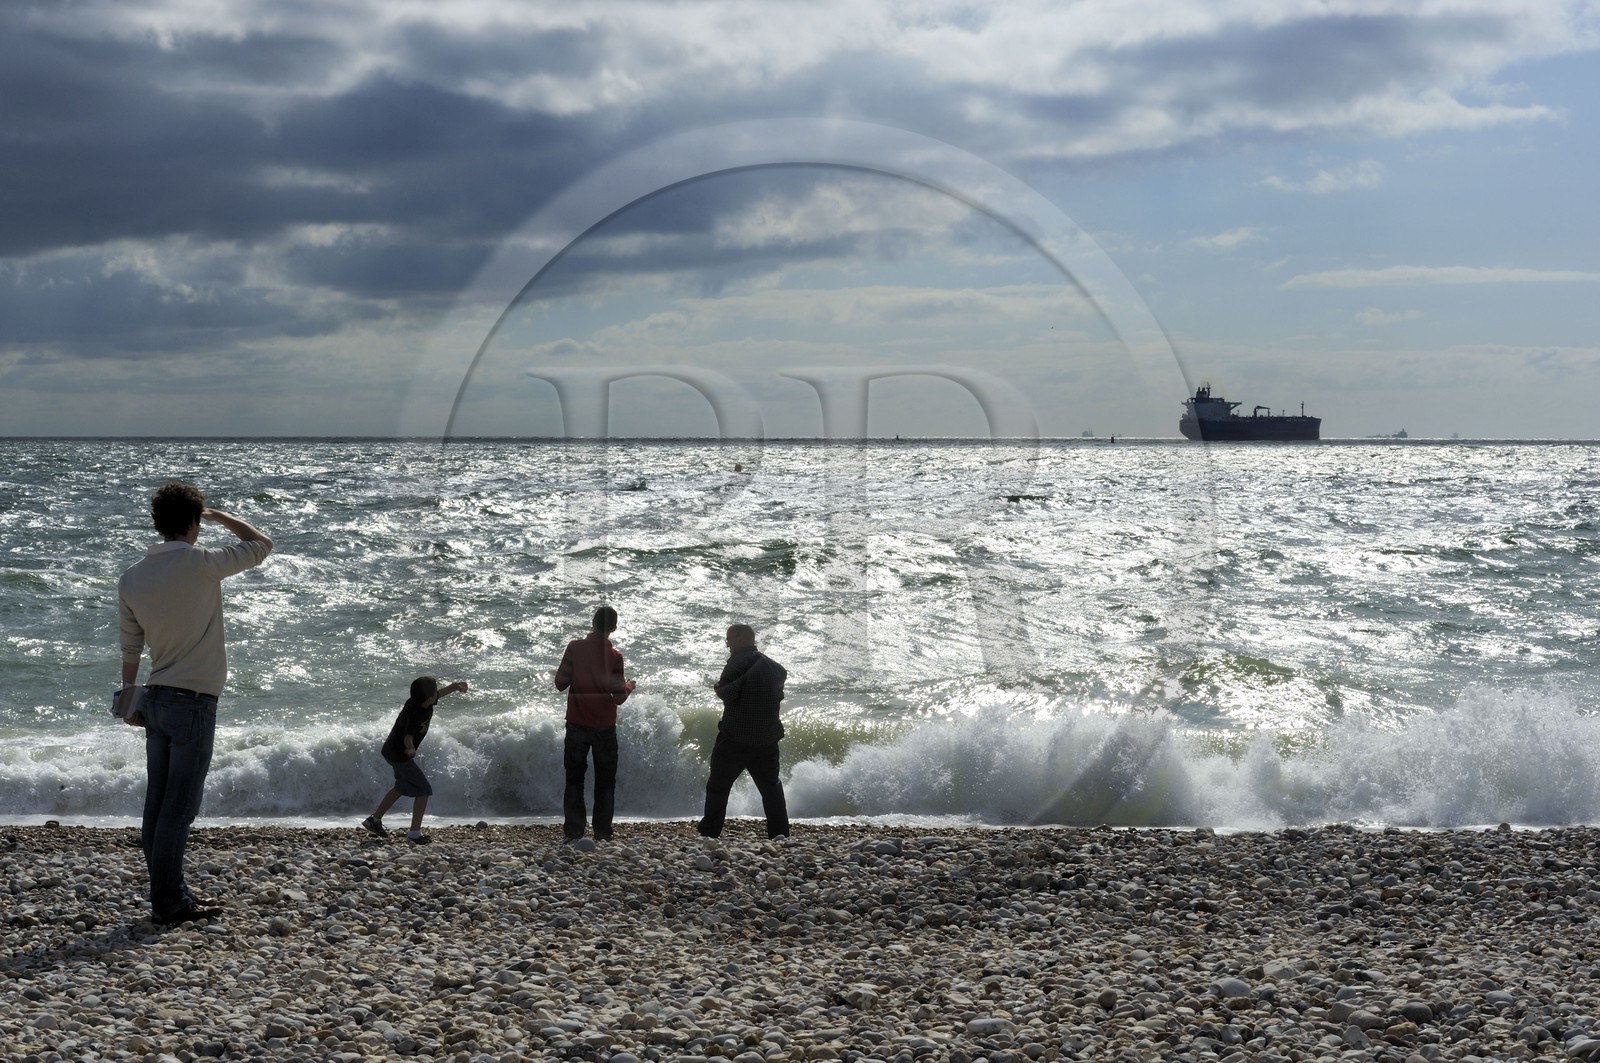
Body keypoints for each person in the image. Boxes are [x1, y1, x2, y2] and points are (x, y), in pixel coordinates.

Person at [117, 481, 272, 925]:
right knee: (180, 807)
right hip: (194, 701)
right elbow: (261, 544)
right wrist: (220, 516)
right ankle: (169, 901)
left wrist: (129, 699)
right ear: (193, 523)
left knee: (158, 803)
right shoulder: (203, 564)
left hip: (156, 697)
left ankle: (169, 892)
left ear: (157, 524)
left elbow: (131, 649)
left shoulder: (132, 576)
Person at [696, 623, 789, 840]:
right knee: (771, 789)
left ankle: (710, 831)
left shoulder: (736, 663)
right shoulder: (774, 667)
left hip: (735, 739)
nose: (727, 644)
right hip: (766, 739)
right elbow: (779, 685)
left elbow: (729, 694)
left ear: (739, 640)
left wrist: (718, 688)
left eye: (729, 639)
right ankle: (780, 833)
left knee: (718, 787)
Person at [553, 606, 635, 842]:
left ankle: (574, 831)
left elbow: (560, 683)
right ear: (614, 628)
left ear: (592, 622)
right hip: (604, 726)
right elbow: (618, 696)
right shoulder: (615, 656)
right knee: (605, 781)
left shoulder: (574, 648)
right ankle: (602, 832)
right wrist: (630, 685)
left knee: (574, 780)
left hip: (577, 723)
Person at [363, 676, 470, 844]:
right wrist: (410, 747)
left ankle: (374, 820)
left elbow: (438, 694)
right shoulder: (415, 713)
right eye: (435, 691)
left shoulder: (420, 702)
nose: (437, 693)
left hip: (390, 751)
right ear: (429, 698)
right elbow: (408, 736)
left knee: (401, 787)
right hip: (400, 755)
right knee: (423, 789)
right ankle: (414, 833)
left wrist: (455, 687)